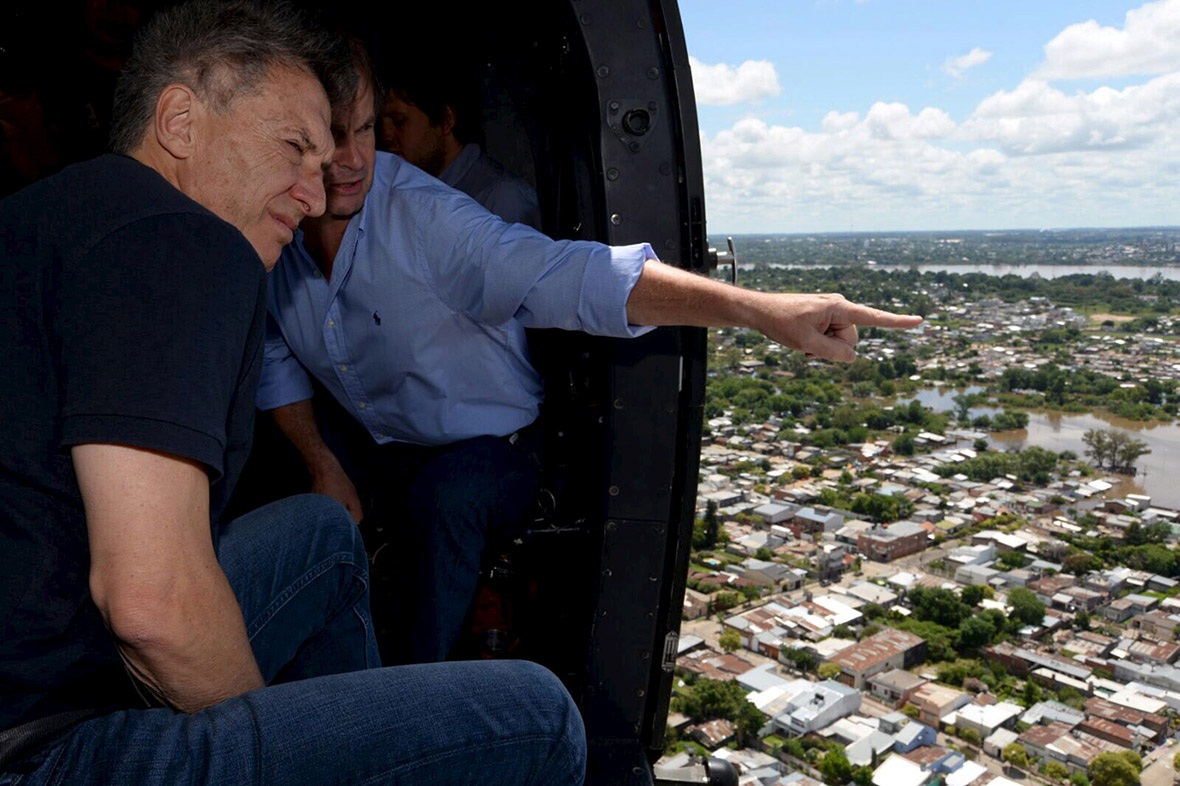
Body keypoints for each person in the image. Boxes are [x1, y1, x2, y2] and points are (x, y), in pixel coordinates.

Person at [0, 3, 586, 784]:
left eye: (330, 160)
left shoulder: (48, 214)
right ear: (179, 120)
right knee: (540, 716)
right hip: (45, 745)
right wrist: (272, 739)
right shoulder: (182, 240)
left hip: (42, 653)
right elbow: (151, 605)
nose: (315, 196)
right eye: (295, 149)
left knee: (321, 536)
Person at [259, 42, 923, 667]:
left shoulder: (427, 218)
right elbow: (275, 353)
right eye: (322, 139)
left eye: (368, 130)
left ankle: (412, 699)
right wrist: (321, 463)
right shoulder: (263, 220)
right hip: (374, 439)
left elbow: (566, 276)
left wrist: (757, 310)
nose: (350, 161)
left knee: (446, 500)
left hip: (488, 447)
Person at [380, 65, 541, 229]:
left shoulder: (501, 199)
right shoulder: (400, 193)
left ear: (446, 120)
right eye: (379, 124)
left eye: (399, 121)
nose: (386, 134)